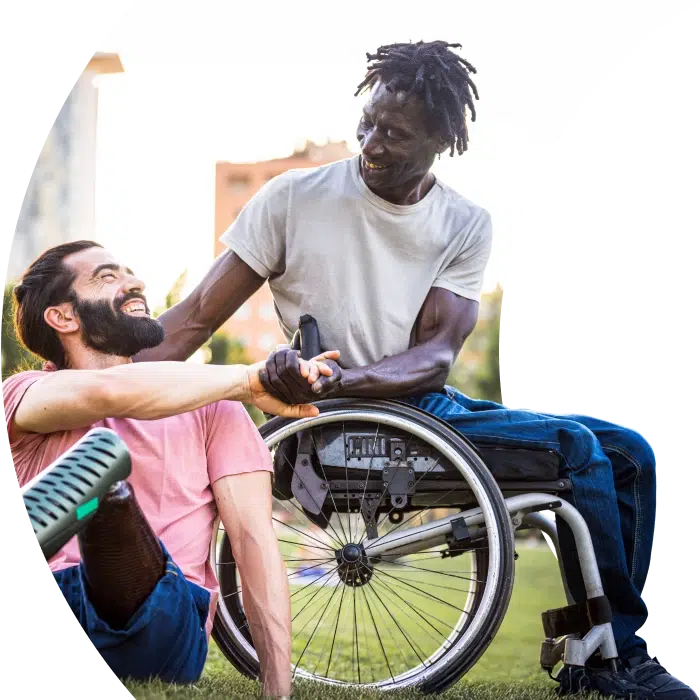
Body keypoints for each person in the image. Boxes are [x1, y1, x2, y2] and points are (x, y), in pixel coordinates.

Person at [133, 40, 695, 699]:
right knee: (576, 450)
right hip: (342, 424)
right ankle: (618, 660)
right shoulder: (293, 199)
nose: (371, 143)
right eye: (367, 123)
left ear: (440, 140)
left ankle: (586, 647)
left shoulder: (462, 223)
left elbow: (434, 357)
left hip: (415, 404)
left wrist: (345, 378)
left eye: (394, 134)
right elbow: (197, 314)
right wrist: (100, 380)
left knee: (628, 450)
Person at [2, 240, 339, 699]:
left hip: (160, 624)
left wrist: (277, 690)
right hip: (46, 607)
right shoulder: (26, 391)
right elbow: (104, 393)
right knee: (97, 458)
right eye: (107, 277)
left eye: (130, 272)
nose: (134, 283)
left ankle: (74, 515)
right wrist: (247, 379)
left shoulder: (214, 410)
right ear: (64, 317)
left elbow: (254, 542)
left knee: (101, 465)